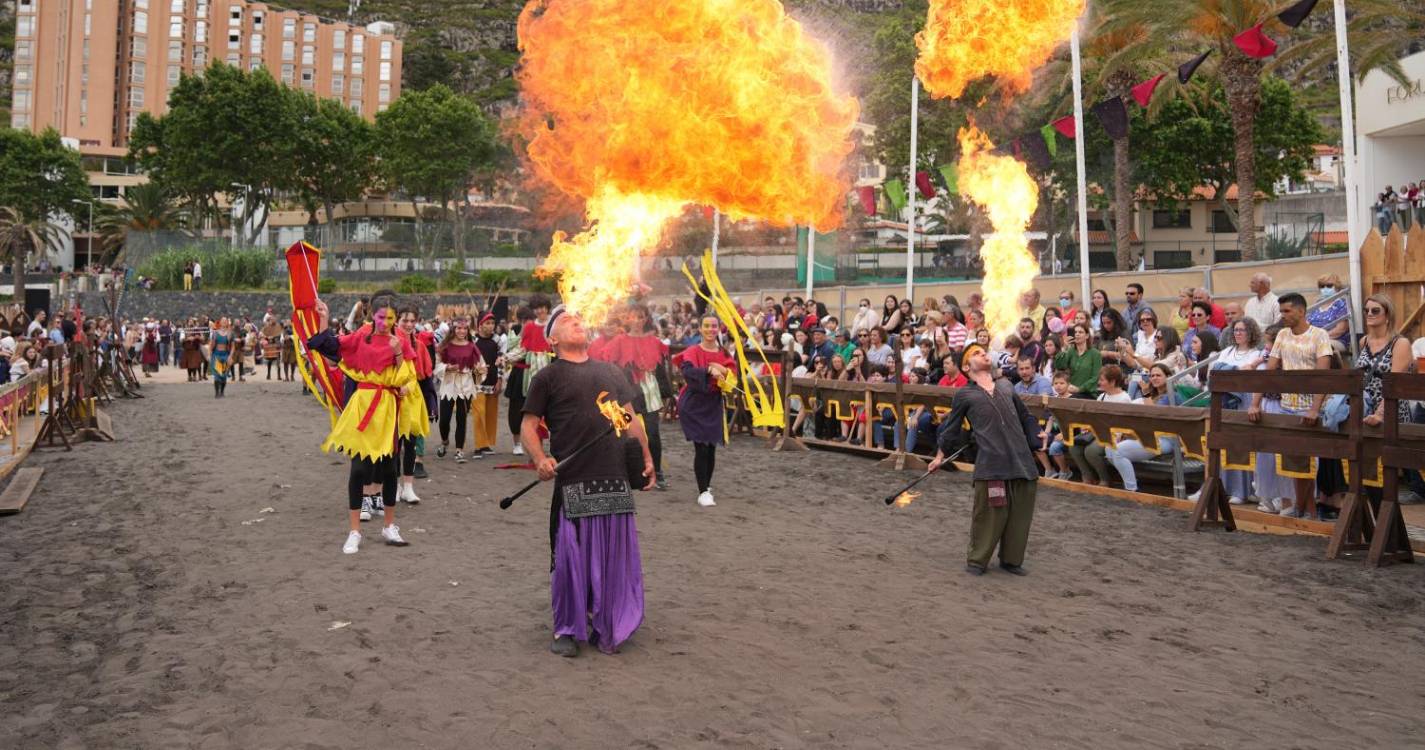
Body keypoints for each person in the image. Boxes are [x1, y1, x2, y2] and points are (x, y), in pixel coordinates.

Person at [521, 305, 653, 657]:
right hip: (575, 479)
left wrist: (647, 456)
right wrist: (540, 459)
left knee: (613, 558)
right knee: (570, 559)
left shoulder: (610, 371)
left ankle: (608, 619)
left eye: (579, 319)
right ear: (552, 340)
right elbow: (528, 426)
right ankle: (566, 628)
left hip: (614, 475)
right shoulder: (547, 377)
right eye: (566, 321)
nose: (576, 322)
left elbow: (629, 418)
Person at [306, 293, 426, 553]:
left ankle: (389, 526)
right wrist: (324, 318)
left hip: (388, 408)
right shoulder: (362, 334)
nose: (385, 322)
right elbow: (333, 347)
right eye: (381, 317)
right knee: (359, 469)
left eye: (390, 318)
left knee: (389, 469)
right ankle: (354, 532)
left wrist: (397, 353)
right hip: (363, 405)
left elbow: (407, 376)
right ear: (373, 314)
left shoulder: (401, 339)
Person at [930, 345, 1041, 576]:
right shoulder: (964, 394)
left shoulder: (1006, 385)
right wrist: (939, 456)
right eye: (976, 353)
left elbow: (1025, 416)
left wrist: (1037, 437)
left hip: (1021, 461)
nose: (983, 354)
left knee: (1020, 516)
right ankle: (977, 561)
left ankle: (1011, 560)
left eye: (983, 351)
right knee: (989, 514)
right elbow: (951, 429)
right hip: (991, 464)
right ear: (966, 367)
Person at [1249, 294, 1333, 518]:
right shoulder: (1283, 335)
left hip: (1309, 406)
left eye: (1287, 311)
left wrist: (1315, 408)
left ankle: (1308, 509)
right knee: (1293, 460)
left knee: (1308, 460)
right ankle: (1301, 507)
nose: (1282, 315)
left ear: (1301, 311)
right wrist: (1255, 403)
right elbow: (1269, 371)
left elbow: (1323, 376)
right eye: (1281, 311)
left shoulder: (1320, 335)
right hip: (1286, 405)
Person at [674, 315, 737, 507]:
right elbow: (687, 372)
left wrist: (724, 372)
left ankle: (706, 486)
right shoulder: (693, 351)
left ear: (719, 329)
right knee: (701, 447)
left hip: (713, 403)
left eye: (714, 326)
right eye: (707, 326)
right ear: (700, 329)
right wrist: (708, 371)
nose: (710, 329)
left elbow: (732, 380)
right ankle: (702, 492)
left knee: (711, 447)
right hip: (694, 404)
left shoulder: (724, 353)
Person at [1357, 294, 1413, 428]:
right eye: (1366, 310)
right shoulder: (1363, 341)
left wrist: (1379, 414)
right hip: (1366, 409)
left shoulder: (1400, 343)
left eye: (1375, 310)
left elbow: (1395, 383)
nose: (1369, 314)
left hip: (1391, 411)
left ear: (1388, 316)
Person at [436, 317, 479, 462]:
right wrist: (447, 367)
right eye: (459, 328)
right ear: (453, 329)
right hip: (449, 383)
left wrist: (480, 370)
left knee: (462, 418)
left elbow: (479, 365)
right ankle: (444, 441)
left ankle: (459, 450)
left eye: (465, 328)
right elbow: (436, 365)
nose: (462, 331)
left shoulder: (472, 346)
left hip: (465, 384)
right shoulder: (445, 346)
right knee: (444, 419)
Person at [472, 313, 504, 458]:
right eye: (487, 323)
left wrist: (500, 380)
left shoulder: (498, 340)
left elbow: (501, 360)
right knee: (479, 413)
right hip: (477, 382)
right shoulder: (473, 340)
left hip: (493, 381)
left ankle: (486, 444)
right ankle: (479, 446)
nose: (491, 326)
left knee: (491, 414)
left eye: (492, 323)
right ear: (480, 325)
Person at [1054, 322, 1102, 397]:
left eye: (1080, 332)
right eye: (1075, 332)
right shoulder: (1070, 351)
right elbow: (1059, 366)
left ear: (1087, 336)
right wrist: (1064, 348)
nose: (1077, 334)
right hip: (1070, 392)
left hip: (1088, 393)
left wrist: (1079, 389)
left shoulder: (1095, 354)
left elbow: (1095, 377)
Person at [1307, 273, 1351, 347]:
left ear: (1337, 287)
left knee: (1317, 346)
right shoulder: (1317, 304)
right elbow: (1307, 325)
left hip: (1335, 340)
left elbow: (1341, 329)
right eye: (1322, 286)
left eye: (1329, 286)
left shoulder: (1341, 304)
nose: (1325, 289)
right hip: (1314, 340)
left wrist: (1320, 338)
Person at [209, 317, 233, 398]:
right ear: (220, 322)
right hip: (216, 355)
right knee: (217, 375)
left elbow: (233, 347)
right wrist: (209, 354)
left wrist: (230, 356)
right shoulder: (215, 333)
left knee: (224, 376)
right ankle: (217, 393)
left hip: (225, 355)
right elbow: (211, 345)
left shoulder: (230, 333)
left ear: (227, 323)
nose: (224, 322)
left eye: (225, 321)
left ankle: (222, 392)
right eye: (222, 321)